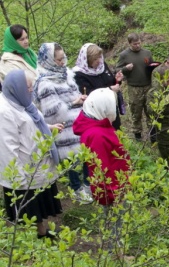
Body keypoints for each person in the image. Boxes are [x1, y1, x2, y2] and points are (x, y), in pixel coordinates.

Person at [0, 70, 63, 240]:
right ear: (17, 87)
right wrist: (17, 180)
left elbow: (33, 123)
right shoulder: (4, 112)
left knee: (39, 204)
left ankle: (41, 232)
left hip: (36, 164)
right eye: (28, 86)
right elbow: (7, 148)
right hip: (23, 169)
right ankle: (29, 244)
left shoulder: (23, 101)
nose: (31, 90)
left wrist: (48, 128)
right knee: (28, 207)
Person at [33, 42, 92, 204]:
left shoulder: (66, 74)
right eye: (58, 60)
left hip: (79, 123)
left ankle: (88, 184)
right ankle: (75, 188)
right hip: (64, 128)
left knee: (86, 155)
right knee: (71, 160)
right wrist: (74, 102)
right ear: (50, 60)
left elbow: (75, 93)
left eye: (63, 58)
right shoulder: (45, 83)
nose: (62, 62)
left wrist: (80, 99)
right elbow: (52, 112)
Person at [73, 88, 130, 207]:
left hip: (119, 184)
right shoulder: (96, 135)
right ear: (104, 108)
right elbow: (100, 170)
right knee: (117, 222)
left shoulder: (99, 124)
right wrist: (113, 196)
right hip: (114, 193)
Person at [73, 43, 124, 131]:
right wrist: (109, 90)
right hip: (96, 114)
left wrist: (117, 80)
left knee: (116, 135)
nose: (99, 61)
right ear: (87, 60)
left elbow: (110, 82)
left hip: (111, 108)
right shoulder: (79, 74)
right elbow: (88, 94)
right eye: (95, 58)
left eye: (100, 57)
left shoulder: (102, 66)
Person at [116, 33, 154, 140]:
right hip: (134, 87)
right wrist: (125, 69)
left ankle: (153, 134)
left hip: (148, 86)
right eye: (134, 44)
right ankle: (137, 135)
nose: (137, 46)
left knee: (150, 110)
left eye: (139, 43)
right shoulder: (124, 55)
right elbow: (117, 70)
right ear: (129, 44)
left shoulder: (147, 53)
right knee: (136, 111)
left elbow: (152, 66)